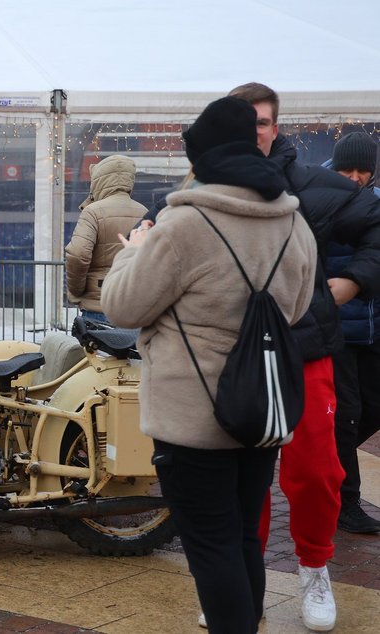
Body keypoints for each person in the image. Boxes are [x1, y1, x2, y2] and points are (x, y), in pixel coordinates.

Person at [101, 96, 318, 634]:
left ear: (203, 157)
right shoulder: (294, 224)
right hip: (260, 410)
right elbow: (295, 310)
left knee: (211, 545)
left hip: (191, 419)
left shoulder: (181, 226)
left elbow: (123, 307)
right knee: (242, 535)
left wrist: (133, 250)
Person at [228, 82, 380, 632]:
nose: (253, 132)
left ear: (276, 127)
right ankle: (239, 583)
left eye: (261, 122)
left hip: (306, 348)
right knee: (241, 478)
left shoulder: (313, 184)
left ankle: (315, 567)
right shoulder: (203, 187)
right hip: (235, 355)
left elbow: (375, 226)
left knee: (316, 473)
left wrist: (351, 283)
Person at [325, 131, 380, 534]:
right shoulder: (317, 200)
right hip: (337, 327)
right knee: (346, 414)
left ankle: (327, 457)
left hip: (374, 327)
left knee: (372, 408)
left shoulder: (377, 201)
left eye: (364, 170)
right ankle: (346, 503)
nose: (356, 177)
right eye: (349, 169)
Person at [64, 154, 146, 323]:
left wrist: (77, 291)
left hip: (99, 304)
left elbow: (78, 254)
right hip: (134, 306)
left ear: (99, 181)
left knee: (97, 342)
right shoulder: (144, 212)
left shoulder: (93, 212)